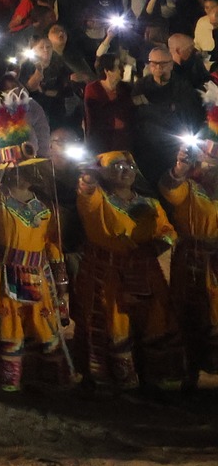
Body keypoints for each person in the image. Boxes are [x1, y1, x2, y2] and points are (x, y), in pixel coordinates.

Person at [0, 106, 75, 393]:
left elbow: (52, 244)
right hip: (2, 278)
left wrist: (60, 281)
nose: (22, 173)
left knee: (41, 324)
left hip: (37, 275)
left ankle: (42, 375)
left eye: (28, 168)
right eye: (17, 169)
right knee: (7, 325)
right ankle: (7, 378)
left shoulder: (44, 205)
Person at [69, 151, 181, 395]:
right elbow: (87, 198)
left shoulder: (150, 203)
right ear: (104, 173)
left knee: (155, 320)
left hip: (145, 271)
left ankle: (154, 378)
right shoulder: (98, 200)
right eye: (117, 166)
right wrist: (87, 177)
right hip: (107, 273)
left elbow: (167, 230)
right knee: (113, 322)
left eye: (129, 165)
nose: (125, 170)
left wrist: (159, 244)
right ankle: (117, 379)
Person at [160, 115, 218, 392]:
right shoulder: (190, 186)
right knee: (192, 313)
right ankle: (189, 372)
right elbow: (170, 191)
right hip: (194, 257)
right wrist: (179, 169)